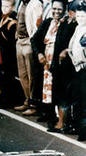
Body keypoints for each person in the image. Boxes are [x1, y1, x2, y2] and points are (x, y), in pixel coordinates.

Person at [31, 0, 77, 132]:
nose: (56, 12)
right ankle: (52, 118)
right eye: (54, 9)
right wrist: (39, 53)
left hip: (61, 65)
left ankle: (61, 123)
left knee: (61, 93)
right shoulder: (47, 22)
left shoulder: (69, 25)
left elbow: (72, 43)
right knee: (49, 92)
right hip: (46, 63)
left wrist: (65, 52)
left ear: (64, 10)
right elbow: (34, 39)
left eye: (59, 9)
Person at [14, 0, 43, 116]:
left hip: (28, 41)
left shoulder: (35, 3)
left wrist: (33, 41)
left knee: (32, 75)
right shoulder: (22, 3)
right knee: (23, 75)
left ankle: (33, 104)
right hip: (20, 40)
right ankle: (27, 100)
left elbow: (37, 25)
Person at [68, 0, 86, 141]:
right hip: (76, 67)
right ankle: (80, 128)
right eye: (78, 16)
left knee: (84, 101)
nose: (80, 19)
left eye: (83, 16)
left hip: (84, 68)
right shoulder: (78, 28)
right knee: (78, 100)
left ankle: (84, 131)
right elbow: (72, 46)